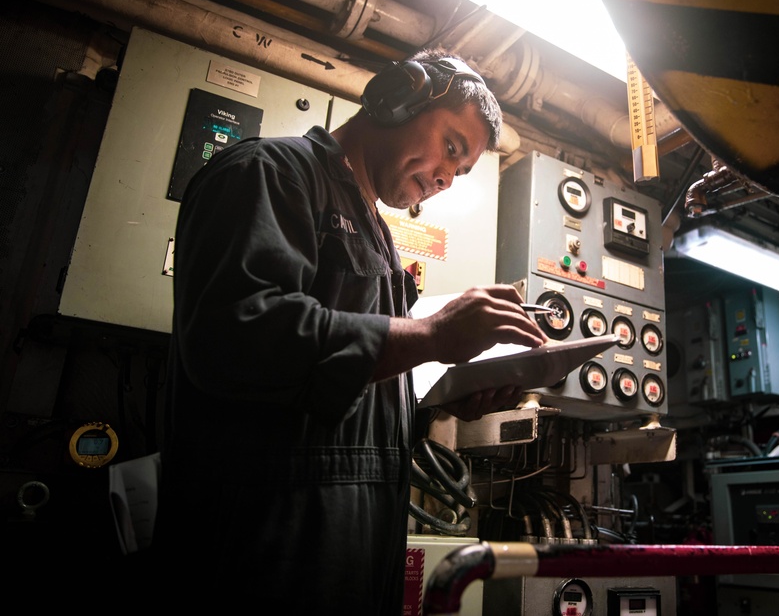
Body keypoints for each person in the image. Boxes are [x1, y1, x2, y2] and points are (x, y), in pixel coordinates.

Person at [152, 49, 547, 613]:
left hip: (354, 559)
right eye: (451, 148)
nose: (445, 178)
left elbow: (348, 398)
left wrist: (445, 399)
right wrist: (434, 334)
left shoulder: (382, 244)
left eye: (458, 171)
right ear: (397, 98)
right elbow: (235, 338)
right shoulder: (267, 173)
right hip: (260, 555)